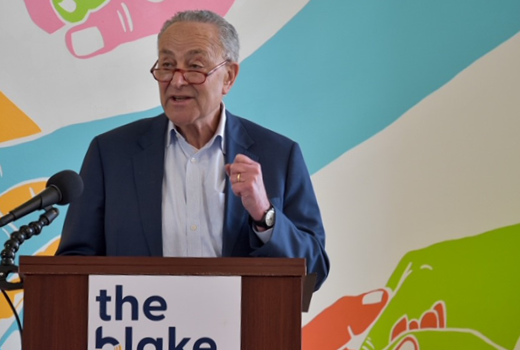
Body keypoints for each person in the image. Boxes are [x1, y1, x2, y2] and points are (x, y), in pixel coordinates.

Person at [56, 10, 329, 290]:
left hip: (243, 330)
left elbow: (314, 271)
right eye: (167, 65)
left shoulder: (279, 156)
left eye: (195, 67)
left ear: (228, 77)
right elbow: (73, 264)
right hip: (140, 329)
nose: (177, 80)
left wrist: (264, 215)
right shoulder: (111, 154)